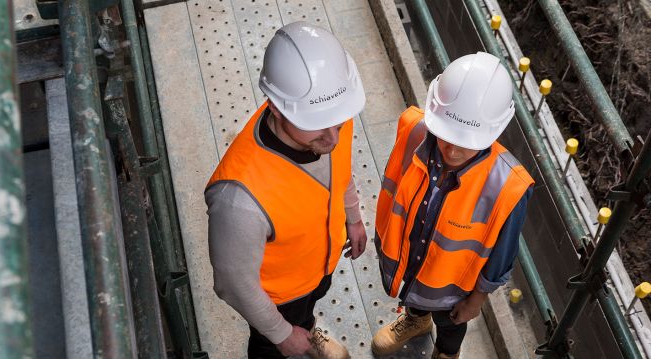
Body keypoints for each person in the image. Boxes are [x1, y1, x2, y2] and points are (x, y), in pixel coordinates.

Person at [205, 22, 367, 359]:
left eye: (337, 123)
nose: (332, 139)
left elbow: (342, 171)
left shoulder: (328, 113)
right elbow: (233, 283)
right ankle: (294, 338)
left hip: (318, 266)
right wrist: (280, 334)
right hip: (279, 299)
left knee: (308, 310)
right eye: (318, 126)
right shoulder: (238, 199)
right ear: (276, 108)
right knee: (272, 348)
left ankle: (306, 329)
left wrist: (353, 216)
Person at [370, 52, 534, 359]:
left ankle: (446, 353)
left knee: (450, 324)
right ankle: (416, 321)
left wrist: (476, 300)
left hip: (451, 290)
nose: (453, 149)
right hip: (411, 263)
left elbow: (502, 255)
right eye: (446, 134)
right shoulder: (415, 129)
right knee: (416, 298)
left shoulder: (508, 185)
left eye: (467, 141)